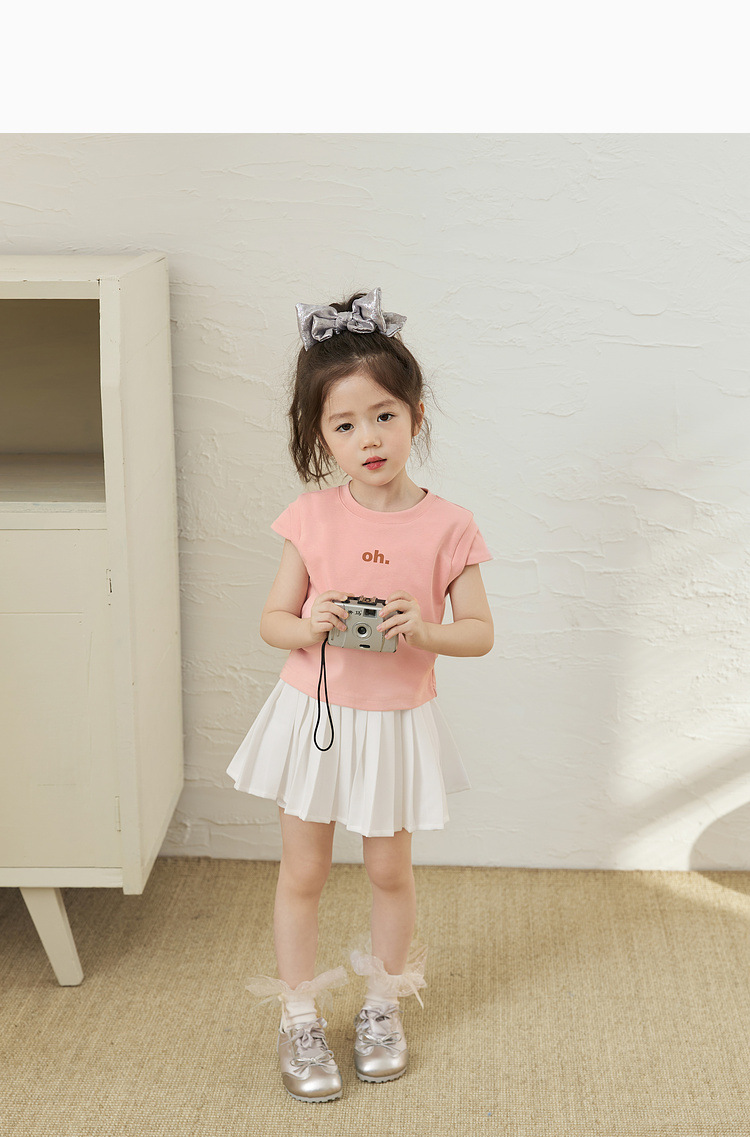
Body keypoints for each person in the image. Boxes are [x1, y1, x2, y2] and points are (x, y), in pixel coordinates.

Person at [227, 288, 493, 1102]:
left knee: (388, 869)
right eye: (343, 426)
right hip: (314, 716)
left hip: (395, 721)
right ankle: (298, 1013)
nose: (367, 438)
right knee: (303, 870)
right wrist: (308, 623)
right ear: (320, 437)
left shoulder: (449, 524)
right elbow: (272, 621)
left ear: (416, 415)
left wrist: (425, 628)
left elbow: (479, 632)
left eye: (383, 416)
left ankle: (382, 1004)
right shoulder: (311, 517)